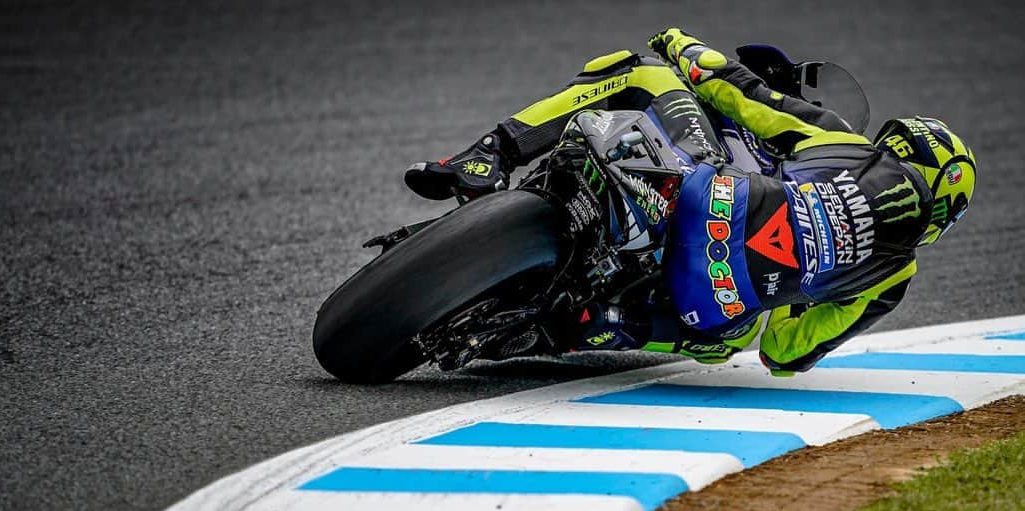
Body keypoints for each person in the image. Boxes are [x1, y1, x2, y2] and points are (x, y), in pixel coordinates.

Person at [404, 28, 977, 375]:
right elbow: (784, 354)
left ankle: (488, 156)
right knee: (735, 339)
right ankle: (576, 327)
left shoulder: (845, 145)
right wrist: (792, 288)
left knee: (639, 73)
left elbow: (741, 93)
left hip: (703, 192)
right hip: (707, 309)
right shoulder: (892, 277)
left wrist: (680, 43)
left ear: (891, 146)